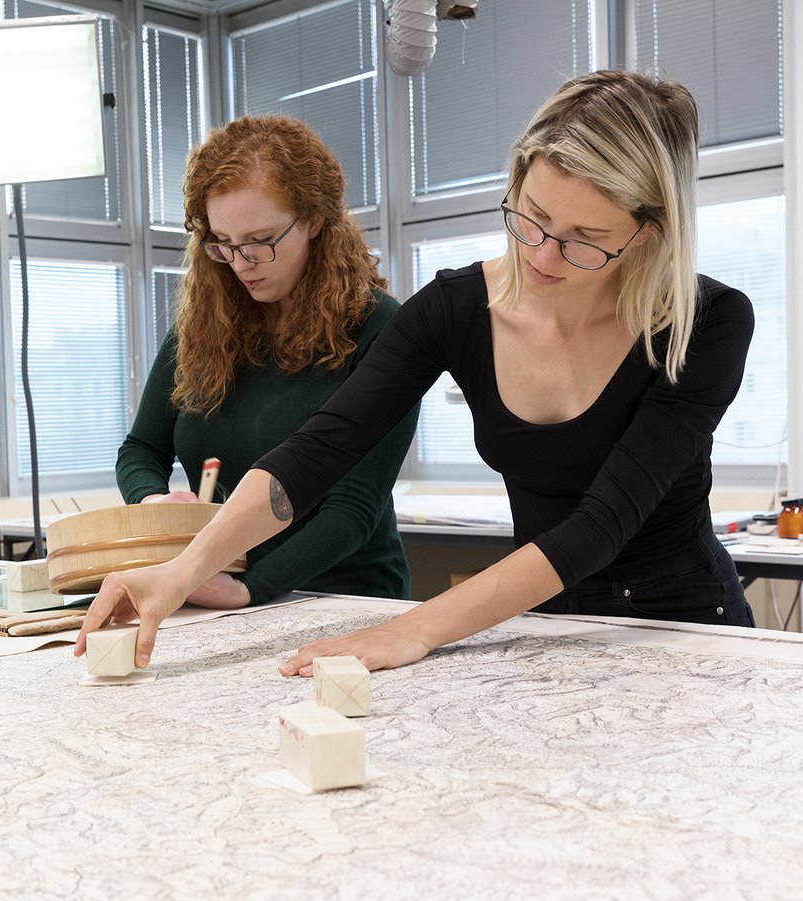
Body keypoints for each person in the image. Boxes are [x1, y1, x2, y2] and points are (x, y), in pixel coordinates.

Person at [75, 70, 755, 674]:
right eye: (534, 217)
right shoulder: (453, 310)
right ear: (515, 179)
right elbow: (321, 449)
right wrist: (181, 567)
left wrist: (413, 628)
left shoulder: (709, 321)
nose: (544, 256)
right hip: (545, 622)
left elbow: (599, 526)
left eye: (585, 240)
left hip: (683, 624)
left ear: (648, 232)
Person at [112, 114, 419, 612]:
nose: (240, 263)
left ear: (315, 219)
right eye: (224, 244)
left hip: (342, 599)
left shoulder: (380, 329)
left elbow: (354, 508)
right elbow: (141, 449)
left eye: (261, 240)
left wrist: (252, 588)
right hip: (219, 589)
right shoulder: (201, 328)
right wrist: (155, 504)